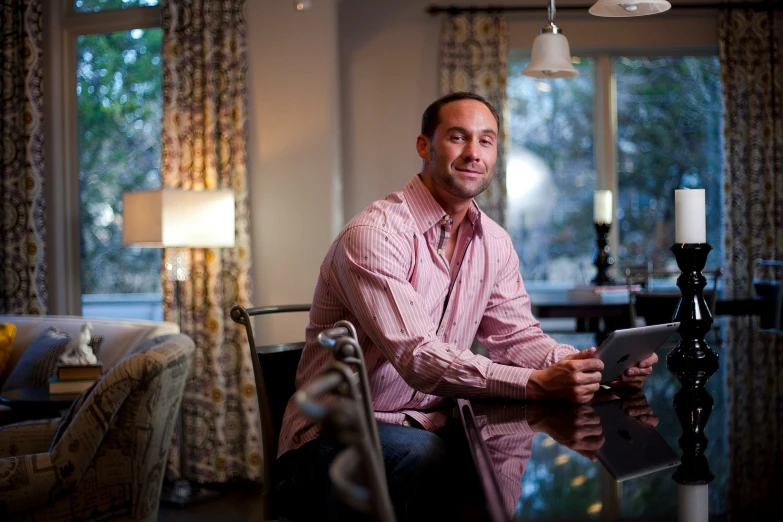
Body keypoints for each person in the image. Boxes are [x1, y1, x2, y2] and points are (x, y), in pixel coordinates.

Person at [275, 92, 658, 521]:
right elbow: (418, 357)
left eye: (487, 141)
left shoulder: (494, 241)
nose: (474, 153)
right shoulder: (374, 234)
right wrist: (536, 384)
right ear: (425, 146)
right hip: (333, 437)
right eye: (458, 137)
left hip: (428, 424)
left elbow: (517, 338)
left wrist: (593, 366)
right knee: (429, 457)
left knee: (494, 453)